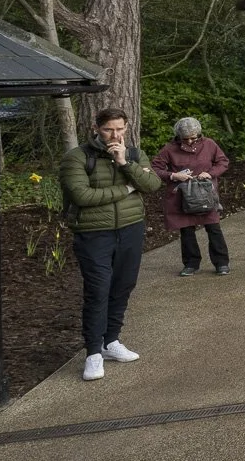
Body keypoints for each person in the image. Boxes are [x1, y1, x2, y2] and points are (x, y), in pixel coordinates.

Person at [61, 107, 163, 382]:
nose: (114, 135)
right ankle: (93, 353)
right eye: (108, 129)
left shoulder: (133, 155)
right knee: (98, 290)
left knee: (123, 285)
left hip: (130, 228)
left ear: (126, 128)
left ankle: (111, 342)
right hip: (94, 233)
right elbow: (82, 196)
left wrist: (124, 164)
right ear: (96, 128)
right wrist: (127, 189)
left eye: (119, 129)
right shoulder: (77, 157)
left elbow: (152, 184)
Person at [152, 117, 232, 275]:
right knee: (186, 230)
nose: (189, 142)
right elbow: (155, 168)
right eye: (185, 139)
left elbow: (222, 162)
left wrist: (210, 173)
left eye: (193, 138)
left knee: (213, 227)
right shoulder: (169, 149)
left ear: (199, 134)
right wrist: (174, 176)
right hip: (182, 195)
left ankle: (221, 263)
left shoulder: (209, 144)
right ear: (178, 137)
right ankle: (191, 263)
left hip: (205, 193)